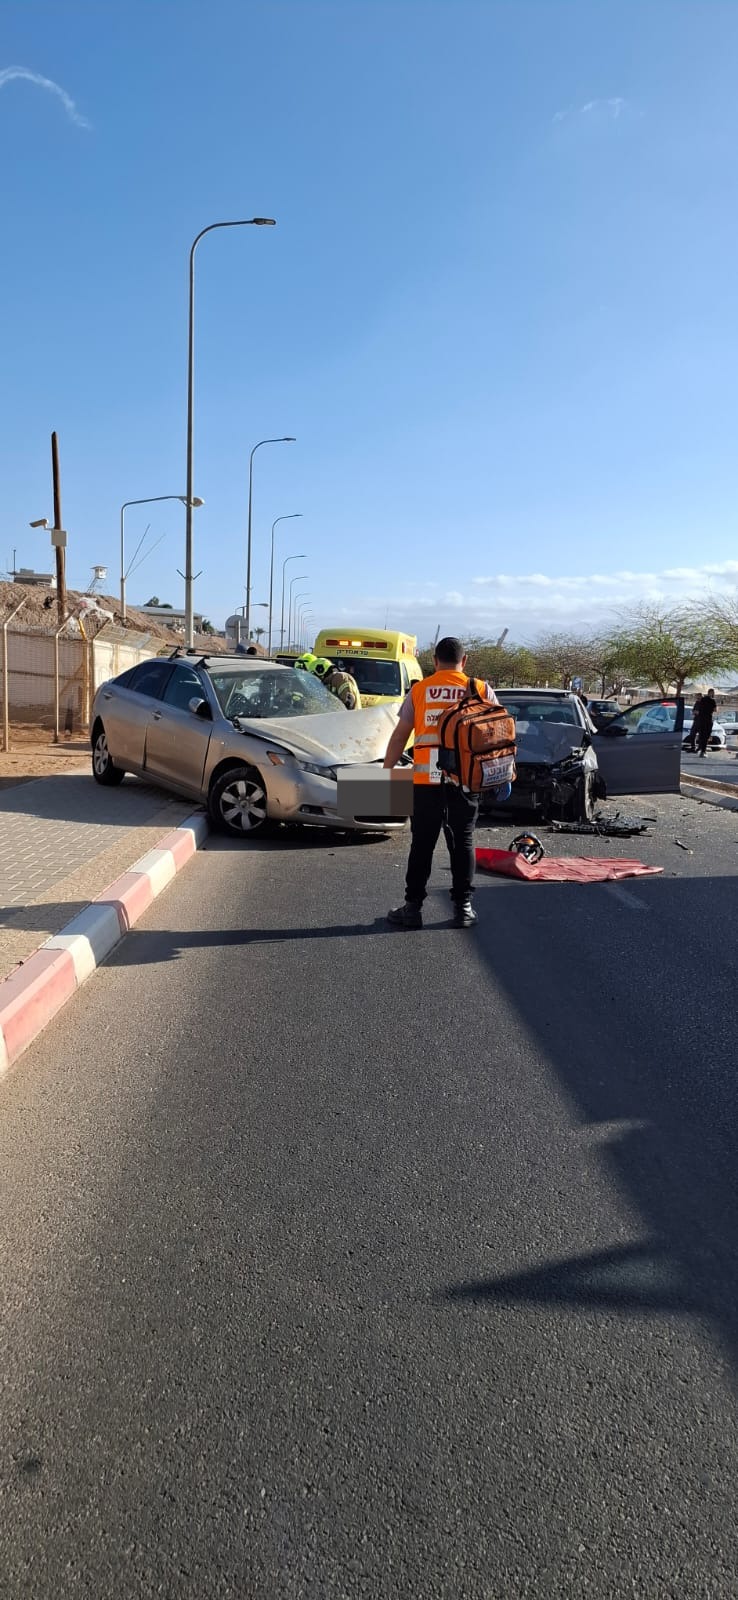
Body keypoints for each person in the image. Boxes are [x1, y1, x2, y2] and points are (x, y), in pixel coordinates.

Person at [382, 635, 501, 929]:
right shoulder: (481, 689)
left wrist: (387, 772)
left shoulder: (420, 690)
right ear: (465, 661)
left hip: (426, 781)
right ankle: (463, 909)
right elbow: (498, 735)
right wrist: (501, 774)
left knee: (422, 843)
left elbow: (400, 735)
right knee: (463, 842)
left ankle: (413, 909)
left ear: (434, 661)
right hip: (465, 780)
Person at [295, 653, 362, 709]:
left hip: (348, 722)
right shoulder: (330, 683)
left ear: (320, 671)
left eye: (315, 676)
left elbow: (349, 703)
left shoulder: (341, 677)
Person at [696, 689, 716, 757]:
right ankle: (703, 751)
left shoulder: (702, 699)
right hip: (708, 720)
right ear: (711, 693)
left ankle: (702, 750)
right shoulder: (712, 700)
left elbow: (699, 710)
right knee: (706, 736)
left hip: (701, 720)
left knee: (702, 735)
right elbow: (715, 710)